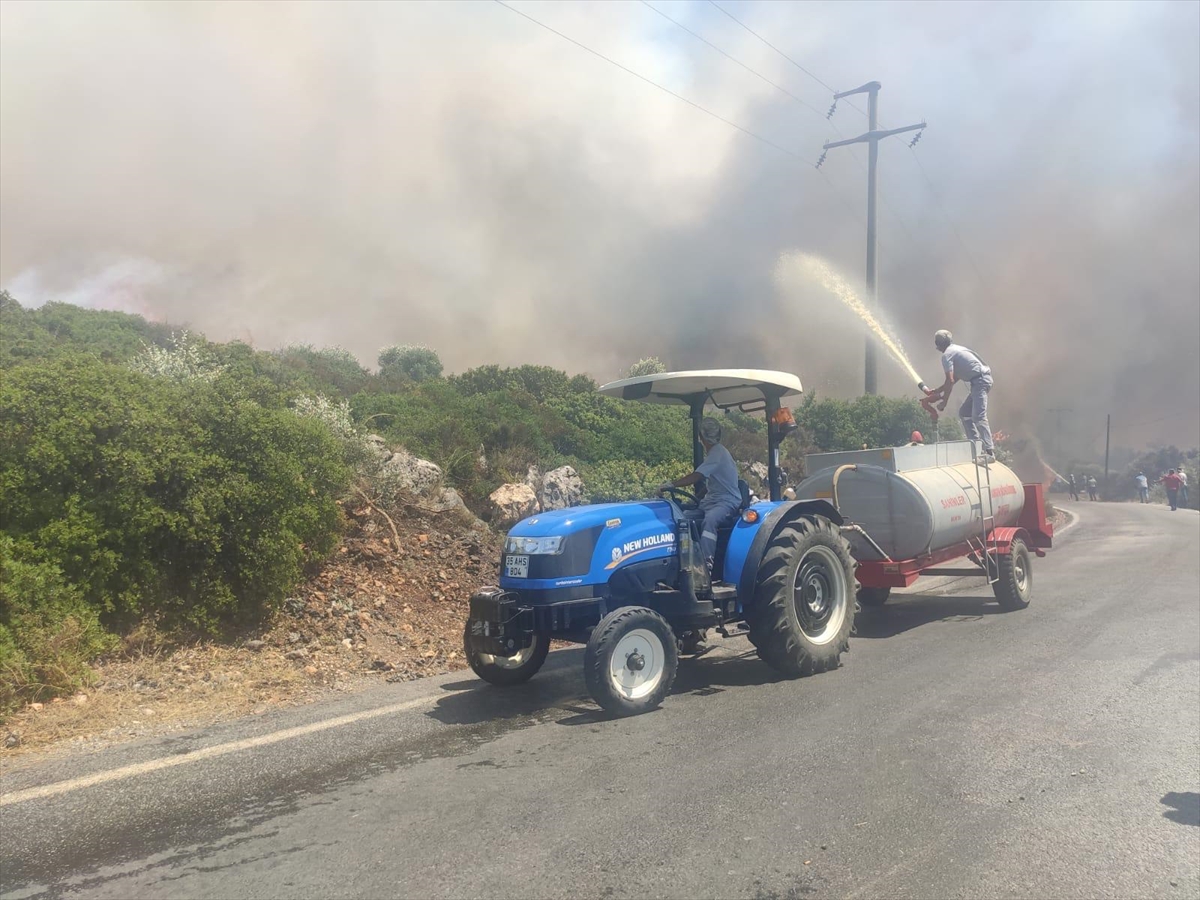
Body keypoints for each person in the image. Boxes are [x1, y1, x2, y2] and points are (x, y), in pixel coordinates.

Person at [659, 418, 742, 575]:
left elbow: (697, 476)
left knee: (710, 520)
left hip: (727, 501)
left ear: (701, 437)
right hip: (711, 500)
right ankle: (682, 560)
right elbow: (711, 483)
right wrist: (694, 499)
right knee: (683, 517)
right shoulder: (714, 454)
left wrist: (671, 485)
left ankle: (704, 567)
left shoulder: (717, 452)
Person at [926, 330, 995, 461]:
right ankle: (977, 449)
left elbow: (950, 381)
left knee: (978, 417)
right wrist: (939, 390)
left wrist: (944, 403)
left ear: (938, 344)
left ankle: (990, 453)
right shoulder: (957, 350)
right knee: (964, 413)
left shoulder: (947, 355)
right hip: (979, 381)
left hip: (980, 381)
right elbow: (955, 377)